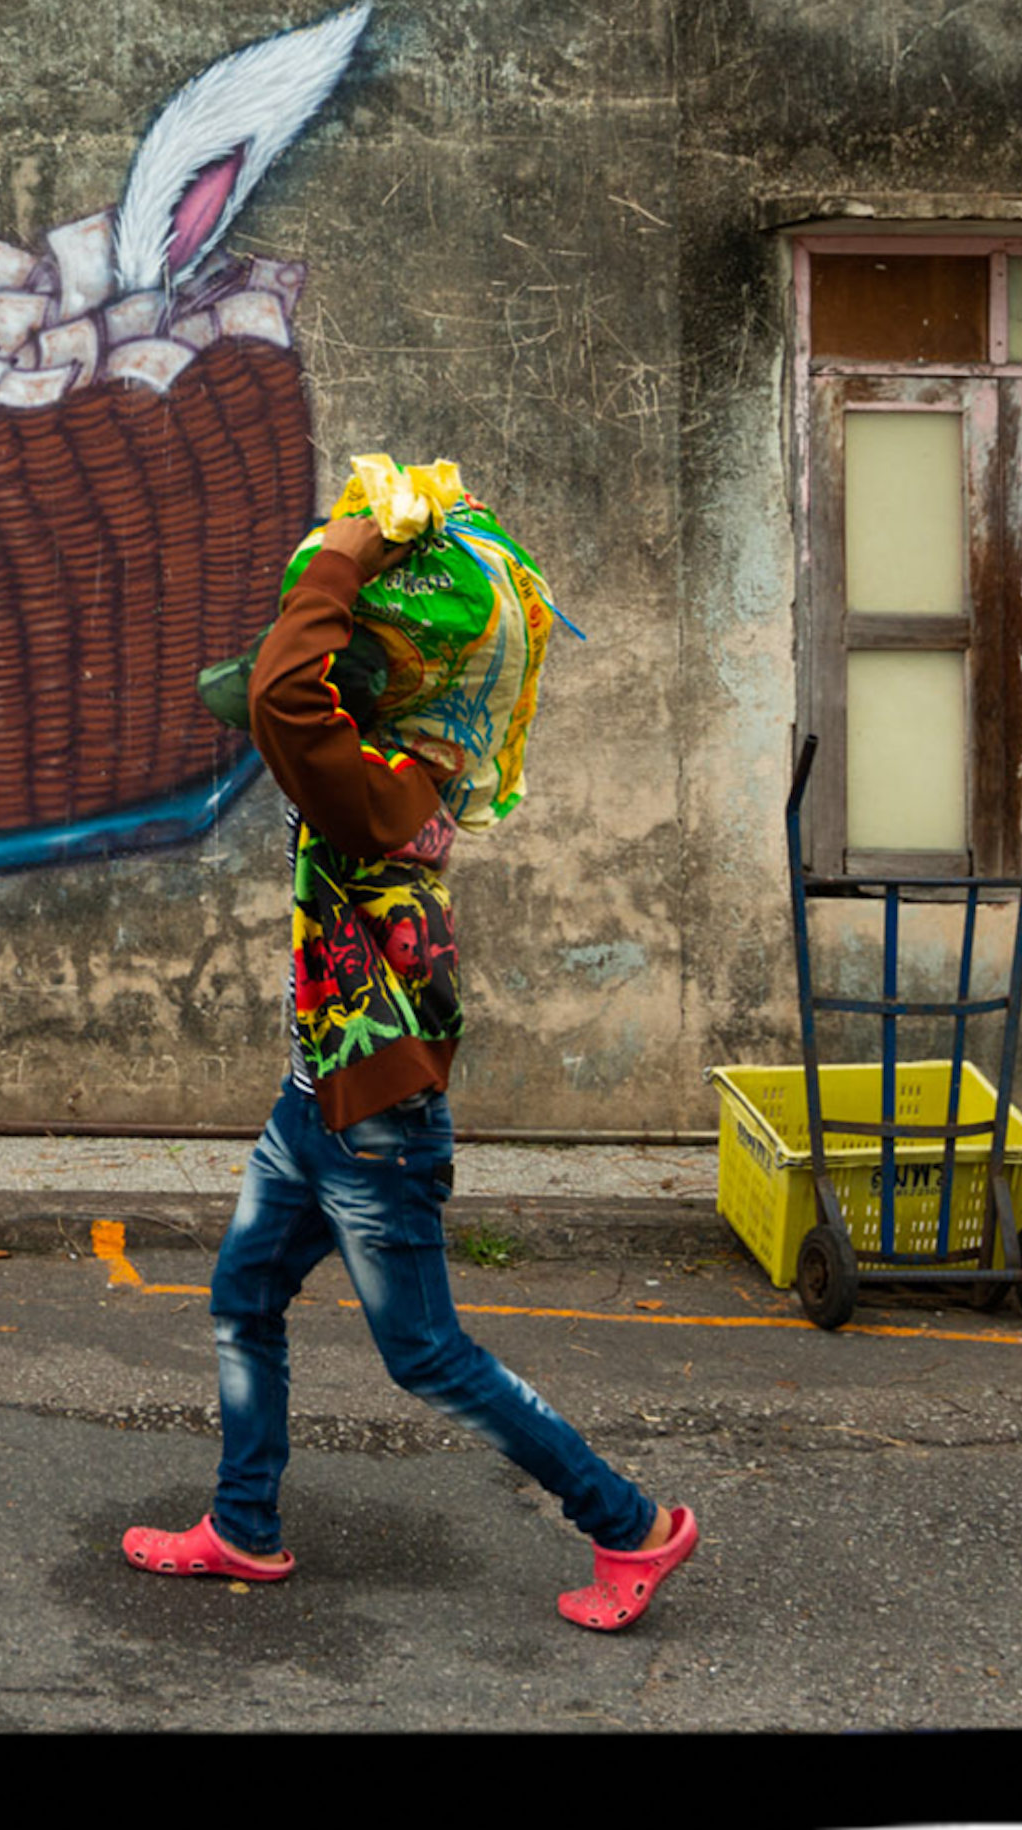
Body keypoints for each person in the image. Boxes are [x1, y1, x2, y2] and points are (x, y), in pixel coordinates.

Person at [124, 503, 699, 1631]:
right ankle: (245, 1526)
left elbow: (290, 694)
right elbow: (285, 695)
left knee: (427, 1354)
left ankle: (629, 1525)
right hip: (318, 1105)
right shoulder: (388, 770)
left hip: (374, 1123)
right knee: (245, 1298)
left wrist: (352, 551)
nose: (288, 713)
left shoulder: (384, 788)